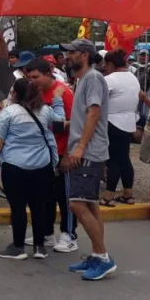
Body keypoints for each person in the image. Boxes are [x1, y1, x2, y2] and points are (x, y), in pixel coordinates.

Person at [0, 77, 63, 260]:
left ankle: (18, 246)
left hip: (14, 167)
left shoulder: (8, 113)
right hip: (42, 166)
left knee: (18, 207)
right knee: (39, 207)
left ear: (15, 94)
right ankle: (39, 247)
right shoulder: (46, 111)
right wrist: (58, 101)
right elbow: (60, 124)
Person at [60, 38, 116, 281]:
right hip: (87, 149)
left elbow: (94, 113)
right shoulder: (84, 79)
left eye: (71, 52)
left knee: (77, 204)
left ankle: (103, 257)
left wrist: (80, 147)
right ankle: (97, 254)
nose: (67, 57)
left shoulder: (92, 78)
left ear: (83, 54)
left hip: (89, 151)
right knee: (90, 204)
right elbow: (85, 116)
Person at [25, 59, 77, 252]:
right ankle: (47, 233)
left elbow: (74, 124)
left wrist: (68, 154)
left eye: (36, 77)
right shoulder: (35, 93)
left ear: (48, 74)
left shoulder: (64, 93)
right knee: (45, 196)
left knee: (65, 197)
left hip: (62, 151)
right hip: (43, 154)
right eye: (29, 77)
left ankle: (69, 234)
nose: (32, 81)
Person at [101, 50, 139, 206]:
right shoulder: (133, 77)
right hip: (129, 122)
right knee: (125, 159)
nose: (104, 68)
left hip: (112, 122)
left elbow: (99, 101)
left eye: (105, 65)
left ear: (110, 64)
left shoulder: (109, 79)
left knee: (113, 161)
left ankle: (108, 196)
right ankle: (128, 194)